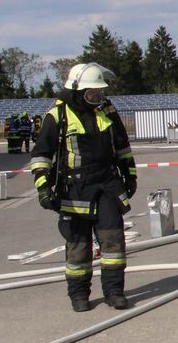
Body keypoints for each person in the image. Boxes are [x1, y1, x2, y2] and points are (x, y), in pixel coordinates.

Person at [29, 63, 137, 312]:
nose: (97, 99)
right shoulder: (58, 115)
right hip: (74, 189)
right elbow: (40, 156)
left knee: (113, 243)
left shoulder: (107, 110)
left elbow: (122, 146)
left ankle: (114, 292)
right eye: (92, 94)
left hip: (107, 187)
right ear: (77, 91)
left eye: (99, 94)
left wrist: (130, 176)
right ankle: (78, 295)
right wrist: (43, 188)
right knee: (78, 246)